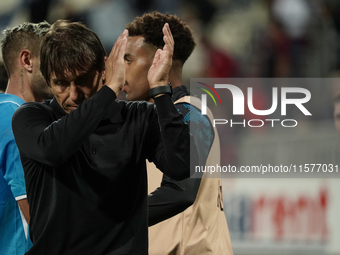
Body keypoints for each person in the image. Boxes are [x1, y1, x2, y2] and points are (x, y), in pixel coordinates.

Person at [12, 20, 193, 255]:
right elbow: (53, 150)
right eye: (61, 84)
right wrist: (110, 89)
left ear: (103, 70)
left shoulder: (138, 117)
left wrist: (160, 88)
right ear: (48, 80)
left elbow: (181, 167)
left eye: (83, 80)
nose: (74, 95)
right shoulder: (32, 118)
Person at [124, 12, 233, 255]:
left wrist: (111, 220)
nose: (123, 70)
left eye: (129, 60)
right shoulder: (146, 119)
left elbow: (181, 191)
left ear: (159, 60)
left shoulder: (191, 111)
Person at [0, 21, 53, 255]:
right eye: (52, 60)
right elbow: (38, 213)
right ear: (27, 60)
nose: (61, 69)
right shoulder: (15, 118)